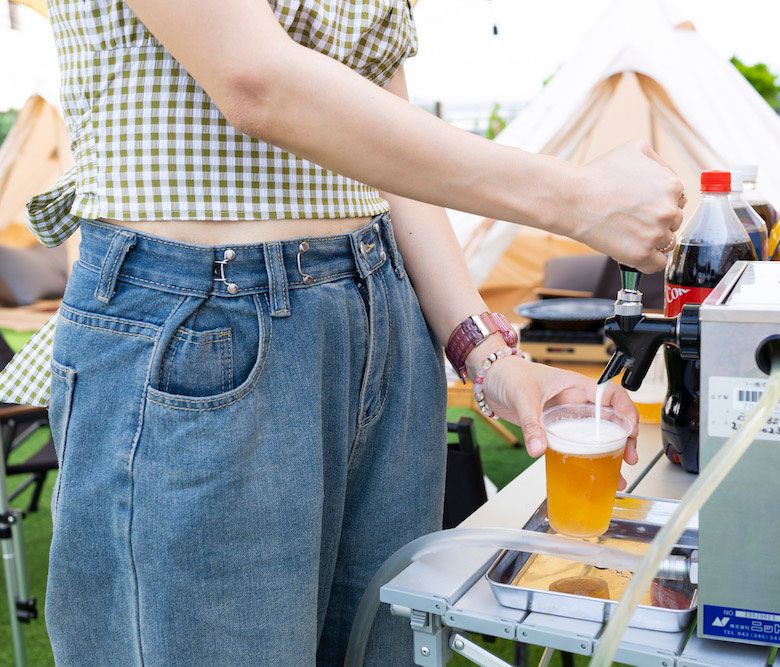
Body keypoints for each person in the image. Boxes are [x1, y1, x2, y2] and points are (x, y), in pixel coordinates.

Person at [0, 1, 685, 664]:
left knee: (386, 646)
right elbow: (253, 78)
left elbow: (391, 160)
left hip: (383, 310)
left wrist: (487, 352)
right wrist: (576, 197)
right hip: (207, 322)